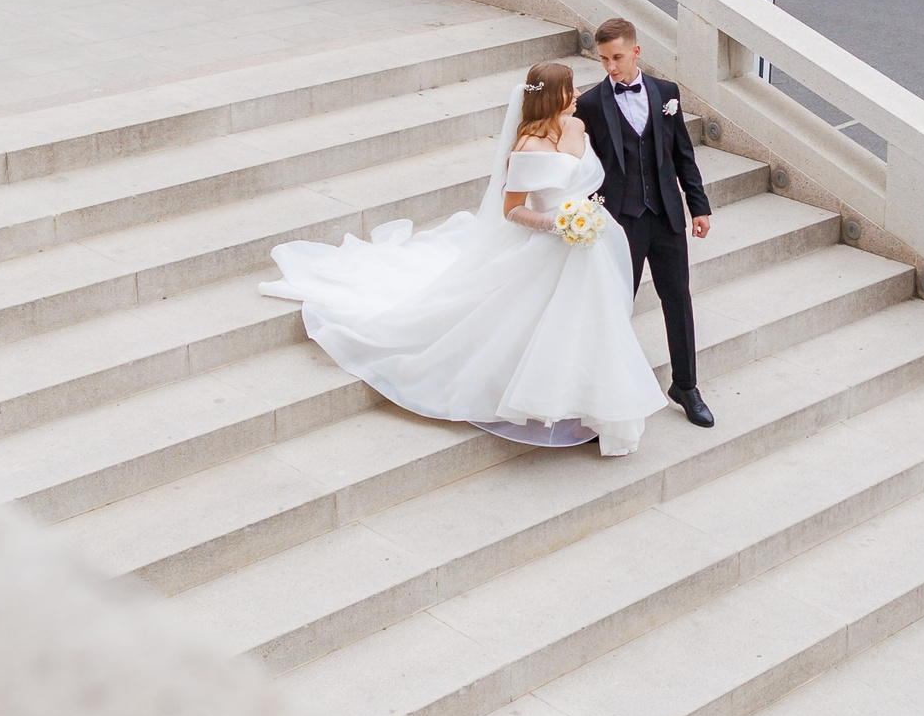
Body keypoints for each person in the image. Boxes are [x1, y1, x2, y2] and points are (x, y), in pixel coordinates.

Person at [261, 62, 667, 455]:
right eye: (569, 88)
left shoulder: (577, 126)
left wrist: (586, 218)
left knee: (592, 322)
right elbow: (512, 210)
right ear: (551, 96)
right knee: (548, 322)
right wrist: (556, 224)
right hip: (553, 244)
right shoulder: (527, 149)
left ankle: (594, 404)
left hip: (592, 242)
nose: (577, 94)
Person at [576, 16, 715, 427]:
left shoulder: (666, 93)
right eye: (603, 59)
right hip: (622, 221)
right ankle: (606, 395)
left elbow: (682, 155)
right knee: (617, 305)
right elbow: (584, 165)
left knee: (678, 300)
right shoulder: (590, 104)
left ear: (636, 51)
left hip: (667, 215)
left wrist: (699, 206)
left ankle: (686, 386)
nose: (610, 67)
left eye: (617, 57)